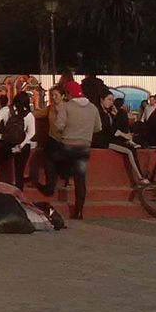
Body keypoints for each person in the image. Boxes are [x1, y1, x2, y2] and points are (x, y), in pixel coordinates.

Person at [45, 82, 102, 219]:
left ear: (70, 94)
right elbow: (98, 128)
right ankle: (79, 211)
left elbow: (59, 126)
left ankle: (52, 183)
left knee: (50, 156)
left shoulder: (67, 106)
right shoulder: (93, 107)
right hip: (84, 147)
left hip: (67, 145)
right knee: (80, 179)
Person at [0, 91, 37, 188]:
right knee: (19, 173)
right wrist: (21, 144)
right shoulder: (29, 115)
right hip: (23, 146)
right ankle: (19, 196)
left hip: (8, 142)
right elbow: (31, 132)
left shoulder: (6, 110)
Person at [92, 92, 146, 185]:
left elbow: (115, 127)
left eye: (112, 100)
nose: (111, 102)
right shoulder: (99, 112)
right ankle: (140, 177)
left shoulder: (108, 112)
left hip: (110, 138)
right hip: (103, 141)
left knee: (131, 147)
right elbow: (108, 129)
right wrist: (124, 135)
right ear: (101, 99)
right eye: (109, 99)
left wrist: (115, 116)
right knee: (129, 151)